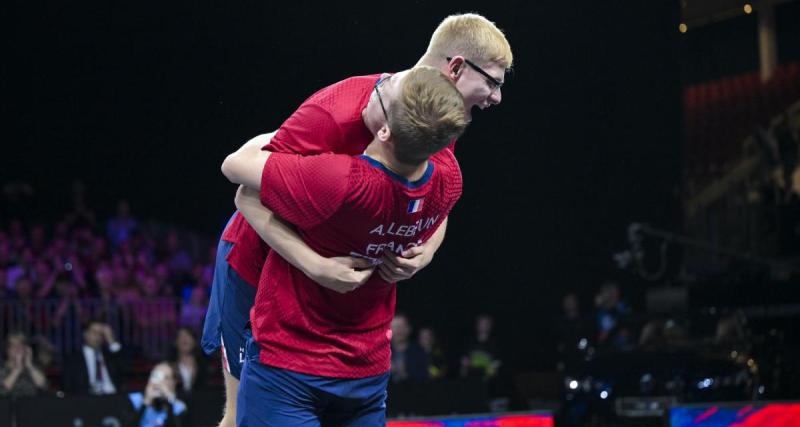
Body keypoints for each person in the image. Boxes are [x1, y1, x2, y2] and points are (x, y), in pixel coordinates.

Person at [200, 12, 512, 427]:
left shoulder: (436, 120)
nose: (496, 97)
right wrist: (315, 264)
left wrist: (425, 253)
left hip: (334, 307)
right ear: (455, 67)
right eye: (492, 81)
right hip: (258, 260)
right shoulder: (335, 113)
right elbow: (246, 190)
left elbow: (440, 198)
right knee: (238, 415)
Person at [227, 65, 468, 425]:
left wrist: (304, 127)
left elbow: (238, 173)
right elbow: (442, 213)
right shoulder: (448, 178)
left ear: (384, 131)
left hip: (289, 367)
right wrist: (427, 251)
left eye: (384, 92)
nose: (375, 87)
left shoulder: (340, 181)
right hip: (367, 371)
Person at [63, 320, 124, 395]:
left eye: (101, 334)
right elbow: (68, 386)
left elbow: (125, 369)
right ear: (85, 334)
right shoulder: (73, 358)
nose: (98, 337)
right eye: (94, 332)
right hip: (86, 400)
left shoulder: (111, 355)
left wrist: (111, 340)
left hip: (113, 397)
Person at [127, 362, 188, 427]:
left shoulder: (178, 408)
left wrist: (169, 402)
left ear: (173, 383)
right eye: (156, 376)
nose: (159, 382)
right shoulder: (135, 399)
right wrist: (145, 403)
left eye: (165, 378)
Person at [0, 332, 48, 397]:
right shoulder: (2, 368)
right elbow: (2, 391)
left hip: (31, 405)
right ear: (8, 350)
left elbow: (43, 387)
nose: (18, 348)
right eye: (14, 346)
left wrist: (29, 365)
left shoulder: (33, 368)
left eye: (20, 345)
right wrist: (17, 370)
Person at [390, 314, 429, 383]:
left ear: (409, 329)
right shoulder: (381, 353)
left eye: (401, 327)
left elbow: (425, 379)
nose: (398, 331)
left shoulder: (419, 352)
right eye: (395, 327)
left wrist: (403, 373)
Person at [169, 327, 207, 396]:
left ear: (194, 341)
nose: (184, 339)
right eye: (181, 336)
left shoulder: (202, 364)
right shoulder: (169, 365)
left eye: (188, 335)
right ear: (175, 342)